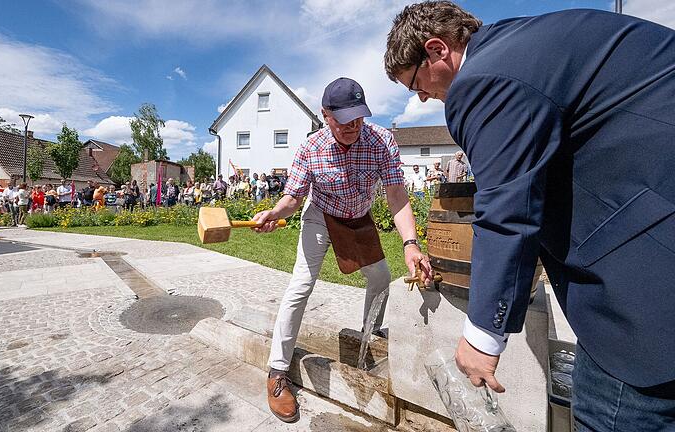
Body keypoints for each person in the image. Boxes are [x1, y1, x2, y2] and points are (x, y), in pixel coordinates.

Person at [384, 3, 675, 429]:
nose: (422, 96)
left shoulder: (483, 81)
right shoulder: (525, 45)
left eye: (415, 84)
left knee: (606, 414)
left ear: (437, 50)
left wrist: (483, 333)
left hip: (644, 289)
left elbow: (506, 208)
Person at [252, 77, 431, 423]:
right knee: (301, 285)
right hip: (320, 214)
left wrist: (410, 243)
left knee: (381, 276)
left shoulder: (381, 141)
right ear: (325, 115)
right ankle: (277, 372)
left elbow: (396, 196)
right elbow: (293, 198)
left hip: (359, 215)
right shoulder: (311, 148)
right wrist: (275, 213)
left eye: (358, 118)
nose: (352, 126)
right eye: (344, 119)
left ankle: (369, 337)